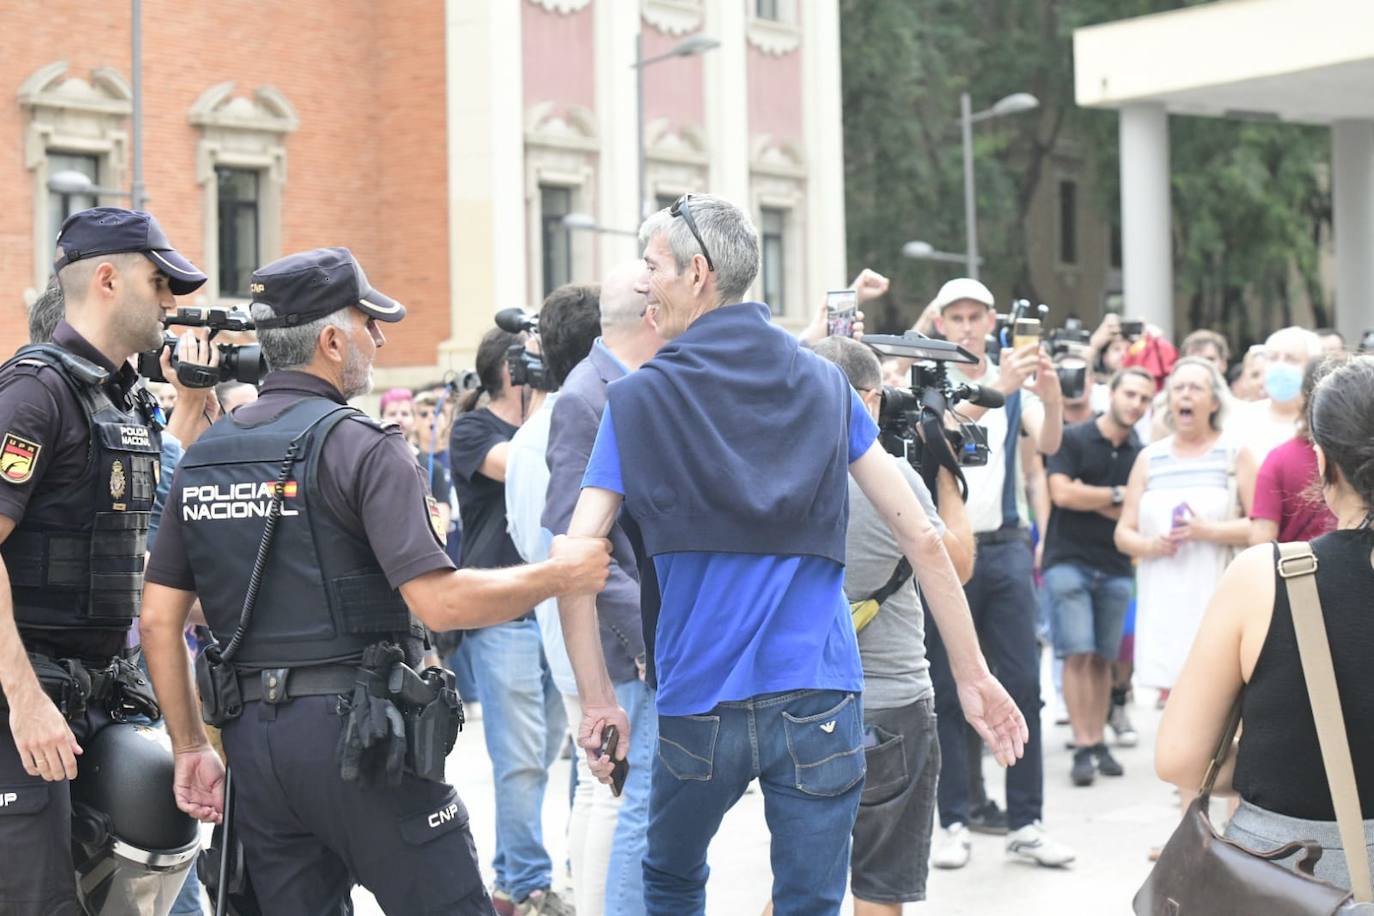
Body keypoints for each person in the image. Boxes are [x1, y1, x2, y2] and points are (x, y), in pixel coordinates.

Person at [553, 194, 1027, 916]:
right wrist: (973, 675)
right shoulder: (824, 383)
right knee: (809, 901)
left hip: (698, 698)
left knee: (672, 880)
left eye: (653, 266)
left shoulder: (638, 402)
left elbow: (575, 554)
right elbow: (922, 536)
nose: (644, 281)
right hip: (820, 696)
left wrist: (596, 701)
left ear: (698, 274)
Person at [139, 246, 612, 916]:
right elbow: (440, 603)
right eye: (369, 323)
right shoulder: (364, 446)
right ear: (331, 341)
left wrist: (190, 746)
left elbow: (159, 620)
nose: (381, 338)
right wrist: (560, 574)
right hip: (361, 743)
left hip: (256, 750)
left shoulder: (204, 456)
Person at [0, 207, 213, 913]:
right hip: (28, 706)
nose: (170, 302)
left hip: (102, 696)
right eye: (159, 282)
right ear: (107, 279)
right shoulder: (33, 393)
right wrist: (25, 703)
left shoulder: (125, 403)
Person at [1156, 355, 1374, 890]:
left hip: (1286, 871)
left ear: (1323, 462)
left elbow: (1181, 758)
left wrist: (1277, 761)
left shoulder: (1267, 578)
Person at [812, 336, 975, 915]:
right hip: (889, 704)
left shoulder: (769, 469)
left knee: (803, 883)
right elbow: (955, 564)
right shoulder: (894, 479)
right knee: (879, 890)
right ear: (872, 400)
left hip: (798, 704)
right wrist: (947, 475)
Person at [925, 277, 1072, 871]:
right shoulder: (931, 381)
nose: (965, 326)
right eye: (955, 316)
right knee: (944, 686)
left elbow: (1052, 439)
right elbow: (934, 431)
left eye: (975, 316)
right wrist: (996, 389)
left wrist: (1053, 395)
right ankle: (954, 820)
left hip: (1006, 544)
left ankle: (1027, 821)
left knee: (1022, 685)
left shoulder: (1012, 380)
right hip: (945, 549)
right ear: (940, 323)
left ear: (991, 321)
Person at [543, 263, 663, 916]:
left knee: (616, 801)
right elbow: (576, 545)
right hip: (624, 642)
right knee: (629, 801)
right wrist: (643, 635)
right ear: (651, 316)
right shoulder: (590, 396)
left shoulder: (613, 386)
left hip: (626, 634)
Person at [451, 325, 572, 916]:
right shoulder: (475, 429)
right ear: (511, 371)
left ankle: (509, 879)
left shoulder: (548, 420)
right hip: (502, 612)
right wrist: (551, 401)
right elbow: (532, 465)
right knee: (521, 757)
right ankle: (526, 886)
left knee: (547, 750)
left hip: (551, 605)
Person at [1114, 357, 1257, 695]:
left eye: (1195, 388)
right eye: (1178, 388)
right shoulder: (1150, 457)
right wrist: (1150, 545)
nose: (1185, 395)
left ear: (1214, 401)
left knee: (1218, 693)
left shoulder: (1235, 453)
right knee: (1172, 699)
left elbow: (1261, 527)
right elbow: (1123, 532)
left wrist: (1207, 531)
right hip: (1162, 597)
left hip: (1216, 592)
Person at [1043, 368, 1154, 786]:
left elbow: (1135, 516)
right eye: (1130, 393)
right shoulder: (1072, 437)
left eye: (1144, 398)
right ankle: (1084, 743)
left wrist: (1094, 498)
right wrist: (1117, 496)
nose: (1136, 403)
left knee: (1103, 657)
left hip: (1114, 564)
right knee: (1077, 652)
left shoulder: (1141, 453)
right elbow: (1062, 494)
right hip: (1067, 559)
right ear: (1114, 394)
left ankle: (1099, 739)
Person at [1249, 357, 1339, 545]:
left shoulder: (1280, 457)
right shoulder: (1364, 453)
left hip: (1302, 570)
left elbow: (1261, 540)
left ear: (1304, 397)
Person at [1234, 327, 1324, 464]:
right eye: (1273, 358)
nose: (1280, 366)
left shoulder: (1320, 422)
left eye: (1291, 359)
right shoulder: (1241, 418)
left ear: (1312, 366)